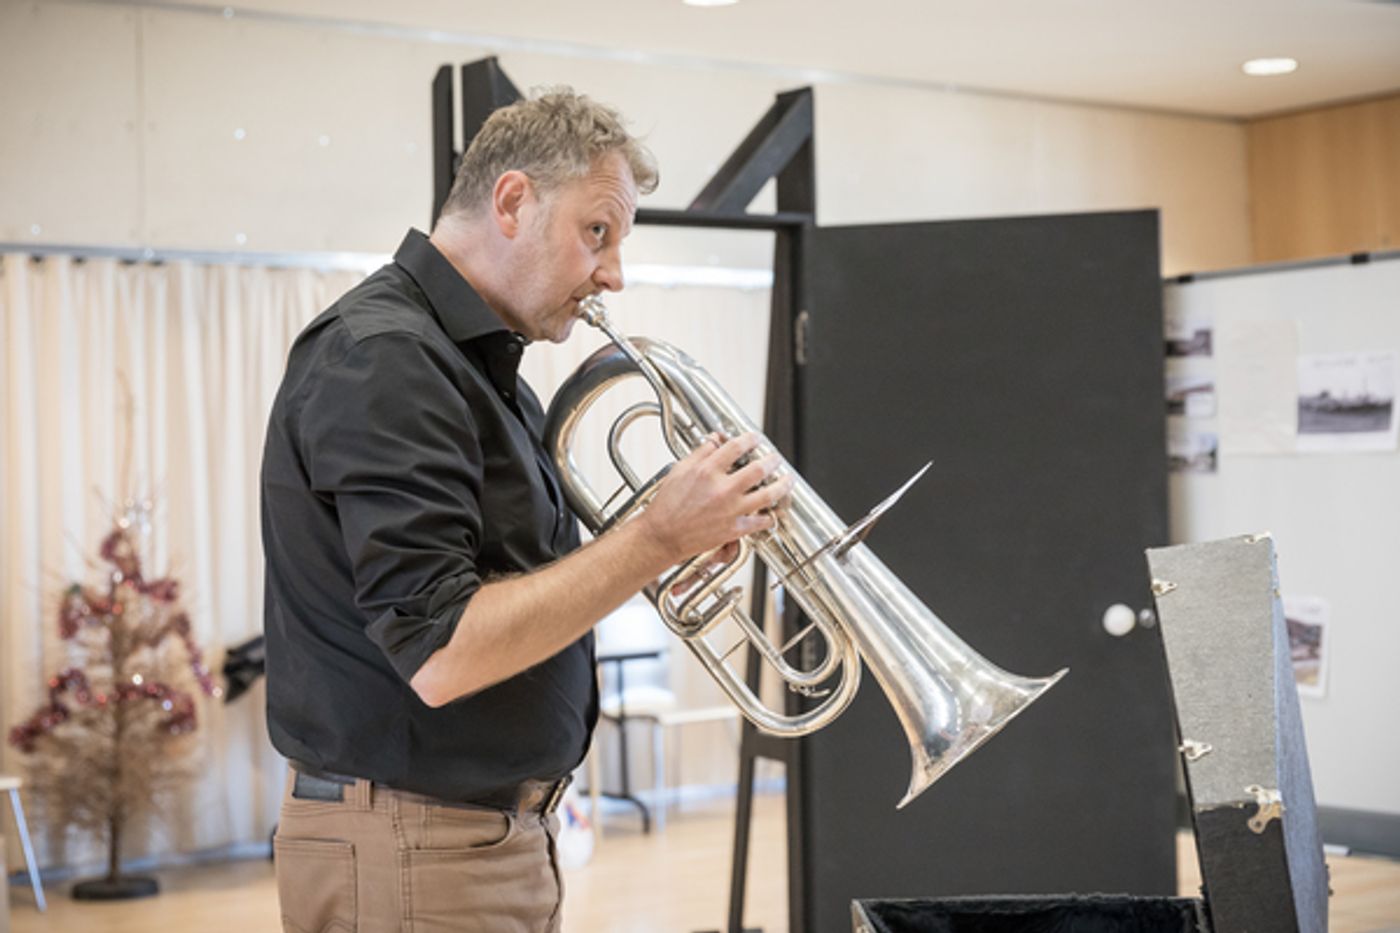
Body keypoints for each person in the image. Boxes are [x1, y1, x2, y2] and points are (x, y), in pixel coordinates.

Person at [260, 88, 792, 932]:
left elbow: (512, 591)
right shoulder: (388, 360)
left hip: (475, 838)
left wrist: (668, 546)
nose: (614, 272)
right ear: (512, 201)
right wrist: (654, 537)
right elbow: (442, 649)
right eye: (597, 232)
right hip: (413, 843)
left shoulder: (473, 371)